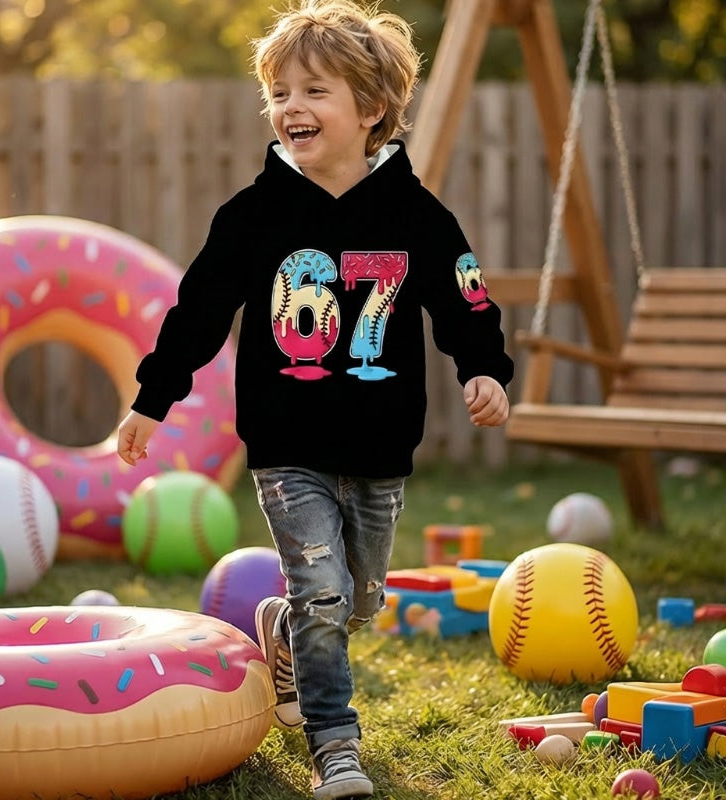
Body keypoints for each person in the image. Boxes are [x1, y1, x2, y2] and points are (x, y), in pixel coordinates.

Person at [117, 1, 514, 797]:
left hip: (380, 448)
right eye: (279, 93)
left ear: (370, 110)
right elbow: (198, 312)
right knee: (322, 590)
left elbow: (465, 301)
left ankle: (286, 630)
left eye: (314, 91)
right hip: (286, 443)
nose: (290, 107)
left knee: (358, 599)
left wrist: (485, 368)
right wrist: (153, 398)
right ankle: (335, 743)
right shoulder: (253, 215)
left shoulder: (416, 214)